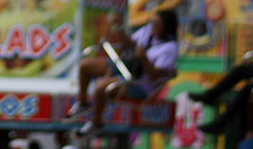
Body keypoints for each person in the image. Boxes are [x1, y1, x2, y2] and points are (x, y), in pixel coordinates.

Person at [72, 9, 180, 139]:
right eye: (152, 22)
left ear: (166, 26)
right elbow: (128, 45)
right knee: (85, 65)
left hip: (139, 83)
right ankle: (82, 103)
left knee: (102, 87)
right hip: (125, 66)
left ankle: (96, 122)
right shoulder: (147, 31)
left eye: (157, 23)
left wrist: (143, 57)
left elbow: (154, 76)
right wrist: (120, 27)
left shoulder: (170, 48)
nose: (153, 26)